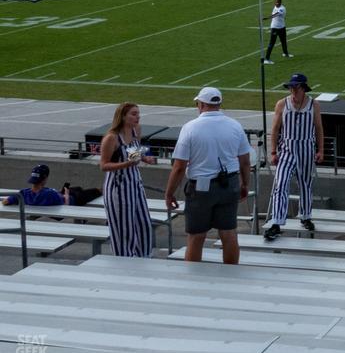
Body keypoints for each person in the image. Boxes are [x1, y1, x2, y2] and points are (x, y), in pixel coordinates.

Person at [164, 87, 251, 264]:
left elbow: (179, 166)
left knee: (196, 236)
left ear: (201, 104)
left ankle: (194, 279)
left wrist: (169, 192)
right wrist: (244, 185)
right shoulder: (235, 125)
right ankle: (231, 276)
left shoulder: (190, 127)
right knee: (228, 233)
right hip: (229, 183)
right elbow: (245, 161)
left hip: (201, 187)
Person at [263, 73, 324, 242]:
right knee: (280, 183)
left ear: (303, 88)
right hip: (287, 150)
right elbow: (275, 129)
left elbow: (318, 128)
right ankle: (276, 222)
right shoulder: (282, 104)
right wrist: (273, 152)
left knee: (305, 183)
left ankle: (305, 216)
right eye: (290, 87)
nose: (292, 90)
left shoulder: (314, 105)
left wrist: (321, 150)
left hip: (306, 149)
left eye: (295, 87)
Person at [98, 102, 156, 257]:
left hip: (135, 184)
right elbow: (104, 165)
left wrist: (144, 158)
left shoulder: (136, 130)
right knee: (124, 231)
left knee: (144, 226)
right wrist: (127, 164)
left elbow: (133, 153)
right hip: (119, 188)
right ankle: (124, 263)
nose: (138, 117)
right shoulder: (112, 138)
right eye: (133, 114)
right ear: (123, 116)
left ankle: (143, 259)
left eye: (138, 113)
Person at [2, 164, 70, 207]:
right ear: (45, 179)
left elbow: (5, 202)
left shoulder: (23, 193)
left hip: (36, 208)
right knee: (77, 191)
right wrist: (66, 196)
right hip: (63, 199)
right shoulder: (50, 194)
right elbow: (65, 207)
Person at [264, 0, 292, 64]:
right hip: (275, 28)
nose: (276, 3)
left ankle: (285, 53)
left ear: (280, 2)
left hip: (282, 27)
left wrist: (267, 18)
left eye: (278, 2)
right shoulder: (276, 7)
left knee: (284, 41)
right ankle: (266, 59)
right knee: (272, 43)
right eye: (275, 2)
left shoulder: (282, 8)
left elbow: (276, 14)